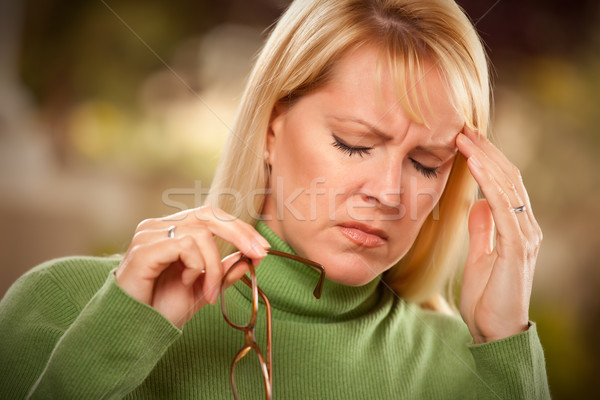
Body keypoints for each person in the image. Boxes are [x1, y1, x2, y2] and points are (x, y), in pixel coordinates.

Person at [0, 0, 550, 398]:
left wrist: (505, 348)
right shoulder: (59, 307)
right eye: (353, 144)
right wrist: (108, 350)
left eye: (426, 164)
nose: (388, 194)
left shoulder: (469, 368)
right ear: (270, 126)